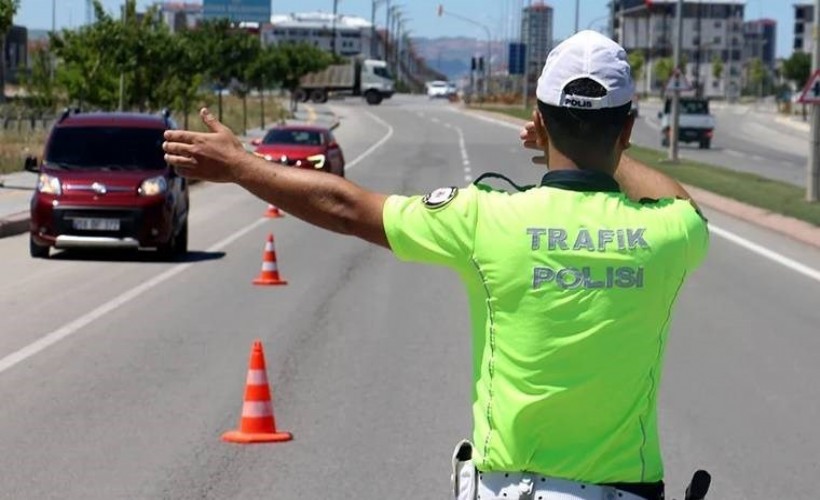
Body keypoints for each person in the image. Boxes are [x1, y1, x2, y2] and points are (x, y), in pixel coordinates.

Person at [162, 30, 708, 500]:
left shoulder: (484, 218)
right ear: (629, 130)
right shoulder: (668, 232)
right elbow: (682, 203)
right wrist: (601, 149)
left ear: (538, 119)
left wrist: (241, 166)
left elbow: (348, 208)